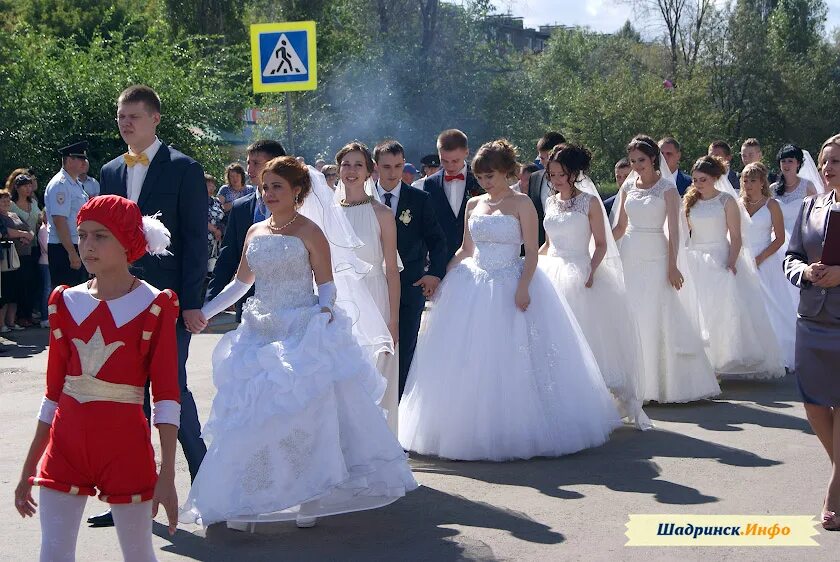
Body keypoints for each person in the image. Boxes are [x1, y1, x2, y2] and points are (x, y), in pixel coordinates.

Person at [180, 157, 417, 530]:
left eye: (277, 186)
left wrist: (324, 312)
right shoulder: (255, 231)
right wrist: (205, 311)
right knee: (252, 418)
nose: (268, 193)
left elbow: (326, 284)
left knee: (304, 419)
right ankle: (252, 497)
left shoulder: (310, 231)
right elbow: (241, 283)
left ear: (297, 191)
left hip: (301, 330)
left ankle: (309, 495)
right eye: (264, 186)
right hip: (260, 332)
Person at [399, 139, 620, 461]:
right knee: (469, 357)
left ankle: (521, 427)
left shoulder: (522, 204)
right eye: (482, 177)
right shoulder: (474, 205)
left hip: (511, 281)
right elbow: (465, 249)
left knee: (515, 357)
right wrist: (443, 275)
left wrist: (523, 286)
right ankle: (466, 428)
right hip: (472, 283)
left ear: (505, 172)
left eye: (491, 176)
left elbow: (531, 251)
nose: (486, 183)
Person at [14, 195, 180, 561]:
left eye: (100, 236)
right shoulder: (64, 302)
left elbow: (167, 396)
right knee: (53, 554)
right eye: (82, 235)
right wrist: (29, 469)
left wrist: (166, 474)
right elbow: (53, 393)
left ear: (128, 242)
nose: (87, 246)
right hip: (65, 448)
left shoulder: (155, 306)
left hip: (126, 451)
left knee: (138, 555)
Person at [96, 84, 207, 528]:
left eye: (134, 116)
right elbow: (100, 237)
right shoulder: (108, 171)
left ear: (155, 119)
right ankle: (126, 496)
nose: (126, 123)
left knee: (171, 391)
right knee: (124, 398)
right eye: (122, 116)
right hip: (121, 300)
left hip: (168, 304)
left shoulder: (184, 168)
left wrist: (192, 303)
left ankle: (206, 480)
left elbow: (196, 241)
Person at [538, 144, 651, 429]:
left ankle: (596, 400)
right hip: (552, 269)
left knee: (590, 338)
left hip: (581, 271)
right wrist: (529, 263)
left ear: (574, 173)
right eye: (552, 174)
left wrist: (591, 270)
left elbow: (602, 244)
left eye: (562, 174)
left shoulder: (588, 202)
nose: (556, 179)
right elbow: (549, 243)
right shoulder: (550, 202)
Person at [612, 135, 719, 403]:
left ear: (653, 160)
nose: (637, 166)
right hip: (630, 255)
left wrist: (672, 266)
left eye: (642, 160)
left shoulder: (668, 190)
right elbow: (621, 227)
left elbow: (674, 231)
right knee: (633, 314)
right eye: (634, 161)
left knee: (658, 313)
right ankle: (636, 382)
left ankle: (664, 384)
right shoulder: (628, 188)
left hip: (657, 255)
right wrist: (596, 244)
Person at [682, 155, 785, 379]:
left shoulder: (727, 201)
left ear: (715, 178)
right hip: (695, 257)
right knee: (698, 310)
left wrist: (729, 263)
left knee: (721, 311)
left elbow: (736, 237)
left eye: (703, 180)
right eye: (695, 180)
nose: (698, 184)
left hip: (720, 256)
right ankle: (703, 361)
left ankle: (721, 360)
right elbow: (686, 233)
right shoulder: (690, 201)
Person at [783, 133, 840, 530]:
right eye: (824, 160)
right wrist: (804, 271)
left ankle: (835, 493)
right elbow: (791, 256)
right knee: (814, 406)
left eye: (835, 161)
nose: (827, 167)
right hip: (811, 318)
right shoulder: (809, 205)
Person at [368, 140, 447, 398]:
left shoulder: (419, 199)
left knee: (404, 347)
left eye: (398, 166)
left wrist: (434, 273)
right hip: (371, 285)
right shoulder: (363, 200)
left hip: (409, 286)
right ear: (376, 167)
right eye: (387, 166)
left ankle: (399, 404)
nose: (393, 172)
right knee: (372, 347)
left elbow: (437, 240)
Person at [335, 141, 401, 431]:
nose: (351, 170)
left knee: (376, 373)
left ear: (368, 172)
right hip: (340, 302)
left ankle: (381, 445)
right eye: (346, 164)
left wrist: (394, 320)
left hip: (374, 298)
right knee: (342, 377)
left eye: (357, 165)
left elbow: (391, 270)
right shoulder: (328, 214)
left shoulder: (382, 214)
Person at [207, 140, 286, 321]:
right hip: (248, 303)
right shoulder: (241, 207)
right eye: (248, 162)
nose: (249, 169)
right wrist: (212, 302)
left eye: (256, 163)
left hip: (289, 304)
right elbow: (228, 257)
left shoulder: (299, 205)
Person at [739, 162, 796, 369]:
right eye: (745, 179)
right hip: (743, 259)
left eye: (753, 180)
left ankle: (777, 354)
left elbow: (779, 238)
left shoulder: (772, 205)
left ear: (762, 182)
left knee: (770, 306)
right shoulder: (738, 204)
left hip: (765, 259)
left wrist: (760, 259)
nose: (748, 184)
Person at [422, 129, 484, 260]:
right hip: (442, 257)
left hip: (477, 256)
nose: (450, 166)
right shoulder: (430, 183)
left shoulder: (481, 180)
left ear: (466, 152)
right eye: (444, 161)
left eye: (455, 161)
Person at [44, 141, 90, 289]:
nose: (85, 162)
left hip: (75, 245)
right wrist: (71, 252)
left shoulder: (75, 184)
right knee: (65, 294)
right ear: (69, 160)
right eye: (80, 159)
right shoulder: (60, 184)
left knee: (78, 292)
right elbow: (59, 220)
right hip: (63, 247)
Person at [0, 190, 35, 332]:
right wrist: (23, 234)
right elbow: (6, 232)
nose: (6, 203)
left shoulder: (14, 214)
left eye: (8, 200)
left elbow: (30, 230)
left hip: (20, 258)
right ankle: (2, 324)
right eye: (2, 201)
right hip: (5, 258)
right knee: (5, 292)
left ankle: (11, 322)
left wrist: (27, 236)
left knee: (15, 291)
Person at [10, 174, 42, 326]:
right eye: (25, 186)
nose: (29, 188)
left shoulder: (34, 202)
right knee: (21, 281)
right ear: (17, 187)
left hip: (36, 246)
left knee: (33, 281)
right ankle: (20, 315)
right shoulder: (11, 205)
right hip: (19, 248)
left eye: (30, 185)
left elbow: (38, 222)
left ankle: (29, 314)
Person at [525, 131, 566, 246]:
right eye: (540, 157)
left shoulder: (575, 181)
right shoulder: (535, 178)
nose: (541, 161)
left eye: (545, 158)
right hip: (541, 246)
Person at [205, 174, 224, 279]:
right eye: (209, 185)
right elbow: (197, 217)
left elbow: (223, 218)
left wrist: (220, 230)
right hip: (202, 239)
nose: (212, 188)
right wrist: (212, 228)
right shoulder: (196, 201)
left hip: (215, 240)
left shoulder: (216, 201)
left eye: (213, 185)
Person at [37, 213, 50, 328]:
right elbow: (47, 248)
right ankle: (45, 317)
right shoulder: (43, 230)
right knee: (47, 290)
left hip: (50, 263)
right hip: (45, 263)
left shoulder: (50, 229)